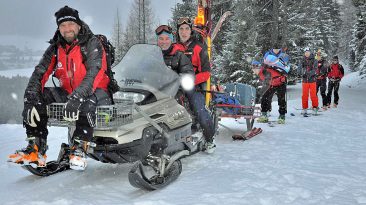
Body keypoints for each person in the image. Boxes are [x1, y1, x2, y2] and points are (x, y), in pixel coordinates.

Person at [8, 6, 112, 170]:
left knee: (87, 102)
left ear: (78, 25)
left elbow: (95, 73)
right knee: (36, 97)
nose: (67, 29)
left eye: (70, 24)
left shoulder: (92, 43)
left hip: (98, 92)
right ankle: (36, 149)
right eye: (62, 26)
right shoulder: (56, 47)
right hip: (70, 93)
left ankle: (79, 149)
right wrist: (30, 98)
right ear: (58, 28)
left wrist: (78, 97)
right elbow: (40, 72)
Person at [155, 25, 216, 153]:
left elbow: (205, 73)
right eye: (181, 29)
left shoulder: (198, 47)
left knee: (199, 110)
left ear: (190, 31)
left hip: (190, 85)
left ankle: (209, 138)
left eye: (186, 29)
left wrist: (188, 81)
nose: (184, 32)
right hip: (164, 86)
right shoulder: (168, 48)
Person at [256, 43, 289, 124]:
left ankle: (282, 116)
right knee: (265, 97)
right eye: (275, 49)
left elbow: (287, 67)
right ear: (272, 49)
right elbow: (262, 68)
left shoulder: (284, 55)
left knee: (281, 99)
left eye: (277, 49)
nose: (276, 50)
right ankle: (264, 115)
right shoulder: (268, 54)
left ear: (280, 49)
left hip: (280, 81)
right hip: (269, 82)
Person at [298, 47, 319, 116]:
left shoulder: (314, 60)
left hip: (312, 80)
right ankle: (304, 108)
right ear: (304, 53)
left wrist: (309, 73)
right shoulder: (302, 60)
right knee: (304, 95)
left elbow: (316, 70)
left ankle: (315, 108)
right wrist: (302, 72)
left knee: (313, 95)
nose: (307, 53)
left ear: (310, 52)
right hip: (305, 81)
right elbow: (299, 69)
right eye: (305, 52)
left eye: (308, 52)